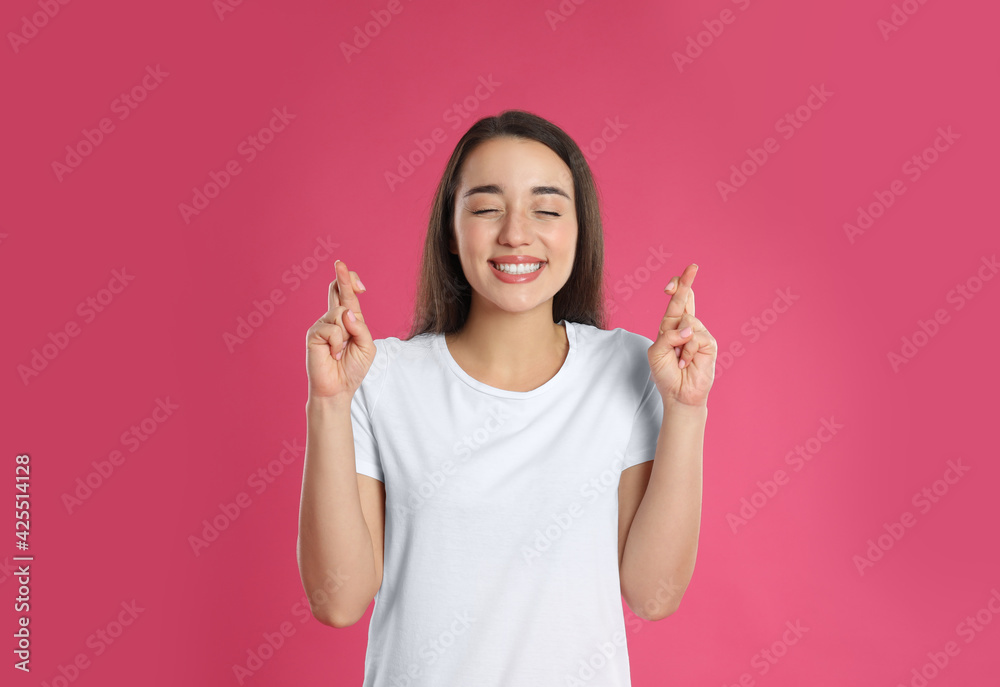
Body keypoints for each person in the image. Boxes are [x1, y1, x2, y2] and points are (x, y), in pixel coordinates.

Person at [297, 109, 716, 686]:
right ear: (450, 229)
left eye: (546, 209)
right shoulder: (380, 377)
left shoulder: (628, 368)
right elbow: (337, 602)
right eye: (487, 208)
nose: (516, 233)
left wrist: (686, 411)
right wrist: (329, 401)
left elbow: (653, 595)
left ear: (578, 230)